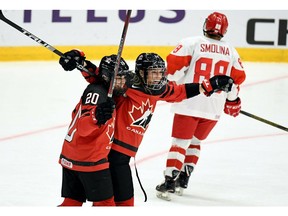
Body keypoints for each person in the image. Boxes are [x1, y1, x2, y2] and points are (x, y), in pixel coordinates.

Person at [59, 50, 234, 206]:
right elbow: (103, 77)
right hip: (111, 155)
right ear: (141, 73)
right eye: (153, 73)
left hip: (123, 158)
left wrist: (209, 86)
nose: (158, 77)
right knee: (115, 204)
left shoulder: (157, 90)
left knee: (123, 203)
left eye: (160, 73)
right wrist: (81, 64)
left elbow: (179, 92)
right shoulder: (128, 86)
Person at [155, 11, 246, 201]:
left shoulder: (191, 43)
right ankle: (184, 178)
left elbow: (172, 71)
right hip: (213, 107)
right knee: (196, 142)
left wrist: (169, 88)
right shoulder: (231, 51)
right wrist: (232, 100)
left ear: (206, 25)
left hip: (189, 101)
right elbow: (234, 81)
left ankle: (170, 180)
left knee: (179, 143)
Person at [57, 52, 129, 206]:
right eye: (117, 79)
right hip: (90, 159)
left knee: (72, 202)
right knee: (106, 204)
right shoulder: (97, 93)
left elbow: (95, 74)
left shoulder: (102, 87)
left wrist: (82, 62)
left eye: (123, 78)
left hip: (72, 155)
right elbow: (83, 126)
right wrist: (97, 116)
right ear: (107, 78)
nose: (121, 83)